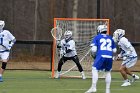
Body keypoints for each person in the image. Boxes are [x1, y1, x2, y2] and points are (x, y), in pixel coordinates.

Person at [85, 25, 117, 93]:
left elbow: (94, 50)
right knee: (108, 72)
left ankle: (93, 87)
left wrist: (94, 52)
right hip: (109, 57)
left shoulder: (97, 37)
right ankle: (107, 90)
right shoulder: (110, 38)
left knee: (94, 69)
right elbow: (114, 50)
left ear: (99, 30)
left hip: (101, 56)